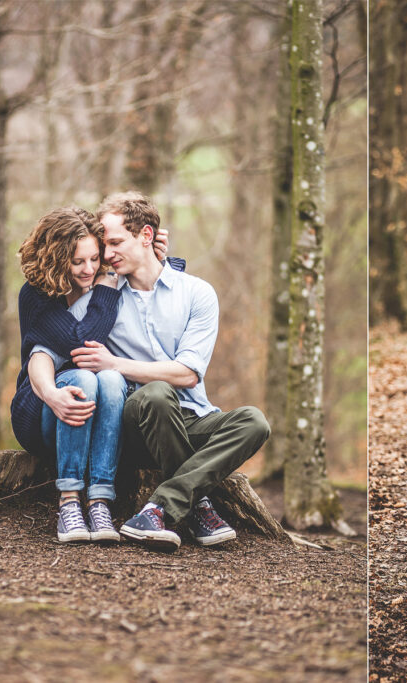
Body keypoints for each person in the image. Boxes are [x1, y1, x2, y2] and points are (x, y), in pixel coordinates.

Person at [66, 191, 271, 552]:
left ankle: (161, 506)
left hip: (191, 417)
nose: (108, 254)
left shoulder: (197, 293)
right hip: (135, 423)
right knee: (157, 394)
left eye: (116, 243)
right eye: (105, 245)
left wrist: (114, 363)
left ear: (146, 235)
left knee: (254, 421)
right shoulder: (104, 299)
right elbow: (58, 332)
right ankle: (198, 506)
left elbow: (189, 374)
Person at [12, 207, 178, 544]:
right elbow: (80, 344)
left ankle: (100, 500)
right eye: (77, 262)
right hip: (42, 408)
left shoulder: (103, 278)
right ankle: (70, 502)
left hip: (97, 407)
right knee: (84, 377)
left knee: (113, 378)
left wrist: (158, 255)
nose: (88, 269)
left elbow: (153, 285)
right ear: (56, 260)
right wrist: (103, 291)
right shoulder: (36, 295)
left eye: (94, 258)